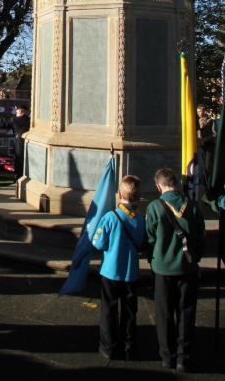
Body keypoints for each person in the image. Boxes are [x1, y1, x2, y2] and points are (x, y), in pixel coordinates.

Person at [145, 168, 206, 372]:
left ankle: (167, 356)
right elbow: (200, 238)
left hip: (162, 269)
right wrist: (195, 258)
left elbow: (150, 238)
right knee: (186, 312)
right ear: (178, 185)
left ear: (158, 186)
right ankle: (183, 357)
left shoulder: (154, 207)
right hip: (187, 268)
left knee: (163, 314)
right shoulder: (194, 207)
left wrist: (153, 259)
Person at [92, 175, 146, 360]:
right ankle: (128, 347)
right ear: (139, 196)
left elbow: (98, 243)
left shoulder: (110, 217)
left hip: (110, 271)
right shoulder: (141, 219)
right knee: (130, 311)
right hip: (131, 272)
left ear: (120, 194)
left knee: (109, 309)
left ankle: (108, 346)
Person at [0, 105, 30, 182]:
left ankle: (18, 179)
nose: (16, 113)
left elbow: (2, 124)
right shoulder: (30, 120)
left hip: (19, 145)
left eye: (16, 111)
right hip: (29, 145)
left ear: (20, 111)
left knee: (18, 164)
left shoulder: (14, 120)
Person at [196, 104, 217, 189]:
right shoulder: (197, 122)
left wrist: (205, 139)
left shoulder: (211, 121)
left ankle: (209, 185)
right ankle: (203, 184)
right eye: (197, 112)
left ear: (205, 111)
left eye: (199, 111)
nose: (198, 113)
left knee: (208, 166)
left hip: (209, 146)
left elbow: (215, 134)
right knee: (202, 166)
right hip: (200, 146)